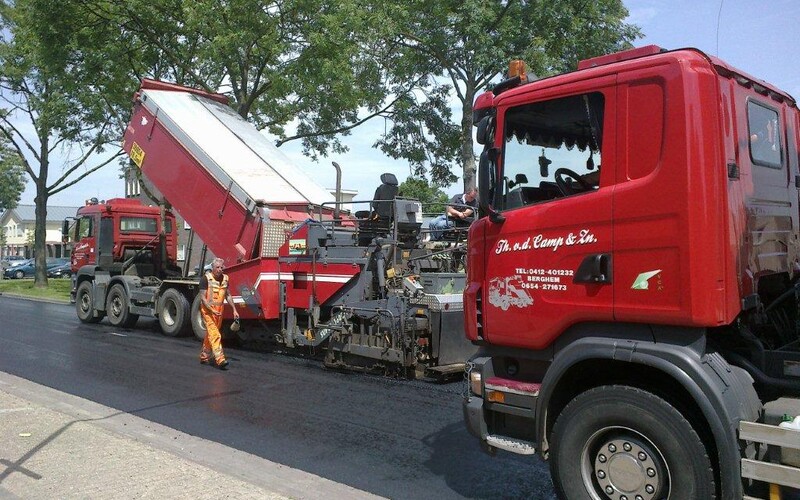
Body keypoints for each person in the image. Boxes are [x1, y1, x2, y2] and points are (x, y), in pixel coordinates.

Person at [198, 257, 239, 370]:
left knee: (211, 333)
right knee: (215, 334)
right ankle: (220, 359)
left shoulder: (225, 279)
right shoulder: (205, 279)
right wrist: (211, 310)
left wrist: (234, 310)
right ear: (212, 268)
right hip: (208, 311)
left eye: (221, 267)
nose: (220, 269)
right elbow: (203, 298)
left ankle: (204, 355)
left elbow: (228, 295)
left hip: (219, 312)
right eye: (217, 267)